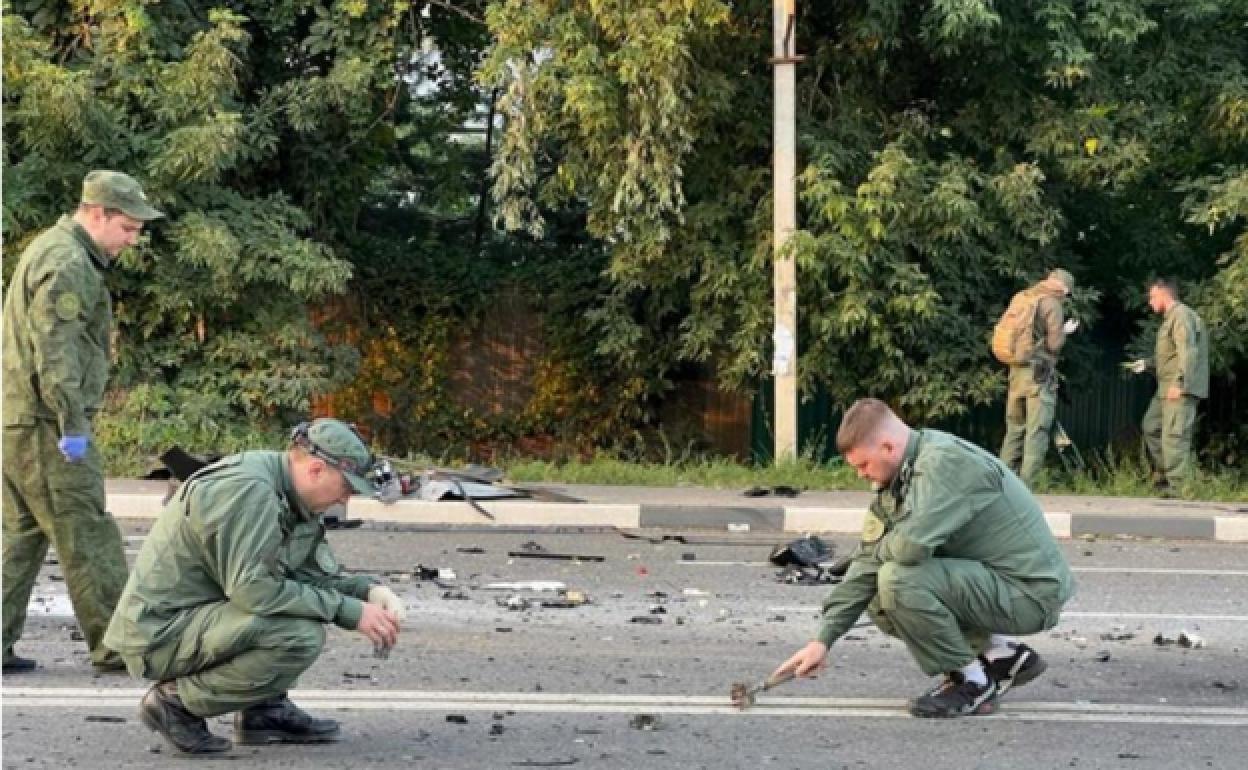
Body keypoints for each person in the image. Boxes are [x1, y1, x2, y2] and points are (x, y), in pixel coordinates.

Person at [102, 418, 406, 754]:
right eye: (346, 487)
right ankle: (175, 704)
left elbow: (307, 575)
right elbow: (255, 591)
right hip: (159, 634)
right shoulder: (250, 492)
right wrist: (347, 611)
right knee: (297, 636)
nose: (345, 499)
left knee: (297, 606)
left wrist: (367, 593)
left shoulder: (292, 494)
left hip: (199, 618)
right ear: (316, 470)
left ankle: (263, 710)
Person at [773, 398, 1074, 717]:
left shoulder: (945, 465)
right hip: (996, 583)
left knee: (898, 579)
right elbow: (867, 563)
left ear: (887, 447)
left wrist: (877, 552)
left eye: (864, 465)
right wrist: (822, 641)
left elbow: (909, 548)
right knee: (875, 591)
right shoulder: (901, 476)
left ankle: (972, 682)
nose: (861, 475)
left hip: (1029, 593)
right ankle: (999, 654)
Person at [2, 170, 164, 674]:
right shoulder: (69, 263)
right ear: (98, 214)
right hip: (47, 425)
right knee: (87, 532)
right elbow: (57, 352)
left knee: (21, 535)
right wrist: (72, 424)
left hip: (19, 420)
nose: (132, 239)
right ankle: (119, 646)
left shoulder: (51, 249)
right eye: (128, 227)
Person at [1127, 279, 1209, 494]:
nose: (1150, 303)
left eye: (1152, 297)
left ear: (1164, 294)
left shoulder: (1181, 316)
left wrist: (1180, 383)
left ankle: (1179, 488)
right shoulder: (1170, 319)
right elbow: (1171, 355)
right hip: (1164, 388)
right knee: (1151, 427)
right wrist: (1147, 364)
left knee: (1174, 436)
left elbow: (1188, 352)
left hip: (1178, 389)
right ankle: (1164, 477)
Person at [998, 268, 1079, 485]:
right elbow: (1053, 344)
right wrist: (1064, 331)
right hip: (1038, 376)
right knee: (1037, 431)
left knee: (1014, 430)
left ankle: (1003, 484)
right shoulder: (1052, 304)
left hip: (1016, 372)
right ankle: (1026, 486)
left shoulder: (1024, 297)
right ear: (1064, 288)